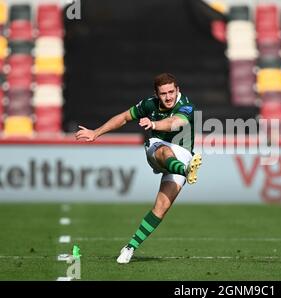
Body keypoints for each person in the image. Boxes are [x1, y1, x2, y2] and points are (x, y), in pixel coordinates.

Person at [75, 72, 202, 264]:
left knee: (161, 208)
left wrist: (153, 123)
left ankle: (129, 247)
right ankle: (184, 170)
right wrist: (96, 132)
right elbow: (124, 117)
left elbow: (175, 123)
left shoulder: (187, 106)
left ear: (178, 90)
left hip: (184, 154)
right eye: (163, 93)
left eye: (171, 92)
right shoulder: (148, 104)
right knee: (165, 151)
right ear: (156, 94)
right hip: (157, 146)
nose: (168, 97)